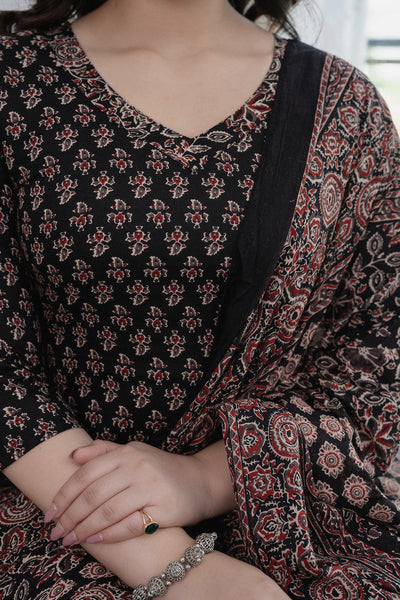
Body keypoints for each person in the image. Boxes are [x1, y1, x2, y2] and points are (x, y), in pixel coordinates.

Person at [0, 0, 399, 598]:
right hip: (53, 516)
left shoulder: (344, 107)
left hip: (291, 511)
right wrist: (183, 571)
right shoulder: (13, 84)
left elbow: (377, 361)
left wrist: (201, 479)